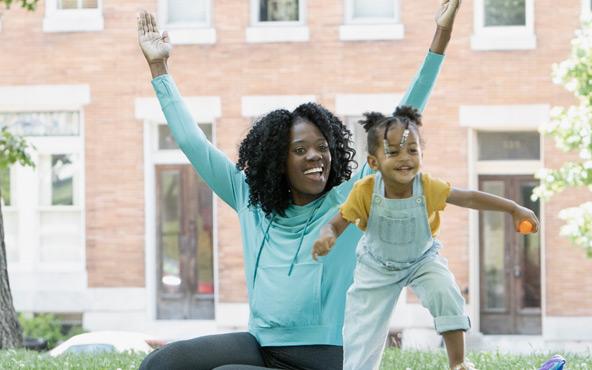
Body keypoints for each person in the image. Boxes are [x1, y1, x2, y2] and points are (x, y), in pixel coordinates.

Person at [136, 1, 461, 368]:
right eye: (301, 149)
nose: (316, 157)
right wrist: (159, 67)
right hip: (261, 344)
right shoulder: (249, 199)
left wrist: (441, 36)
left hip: (327, 357)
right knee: (163, 363)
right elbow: (194, 143)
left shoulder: (352, 201)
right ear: (277, 160)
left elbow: (402, 117)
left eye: (323, 148)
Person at [312, 107, 540, 370]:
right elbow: (338, 222)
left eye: (412, 150)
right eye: (393, 151)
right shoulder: (365, 191)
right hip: (377, 266)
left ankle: (458, 363)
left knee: (445, 291)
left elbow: (468, 197)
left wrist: (513, 208)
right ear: (374, 162)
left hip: (422, 260)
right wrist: (326, 236)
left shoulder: (428, 186)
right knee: (360, 324)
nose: (405, 158)